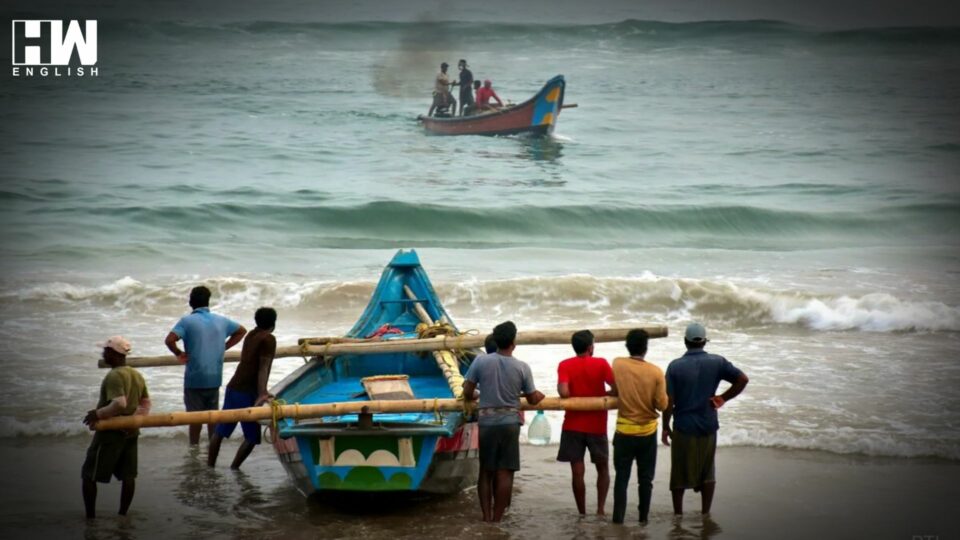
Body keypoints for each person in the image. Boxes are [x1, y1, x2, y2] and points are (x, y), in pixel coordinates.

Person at [662, 323, 749, 516]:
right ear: (704, 342)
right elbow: (742, 379)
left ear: (685, 342)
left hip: (684, 427)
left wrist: (665, 426)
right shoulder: (717, 362)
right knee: (708, 470)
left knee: (679, 473)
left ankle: (678, 515)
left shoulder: (675, 366)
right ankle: (705, 513)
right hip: (708, 424)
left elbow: (669, 400)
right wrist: (723, 398)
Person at [462, 321, 545, 522]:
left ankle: (486, 516)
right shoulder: (522, 367)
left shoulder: (481, 361)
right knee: (505, 472)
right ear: (513, 342)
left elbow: (467, 391)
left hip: (487, 422)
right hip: (510, 423)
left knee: (486, 471)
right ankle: (497, 520)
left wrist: (476, 396)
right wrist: (540, 396)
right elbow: (533, 398)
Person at [165, 286, 246, 445]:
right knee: (212, 417)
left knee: (194, 419)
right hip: (214, 377)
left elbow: (169, 340)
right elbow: (242, 331)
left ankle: (194, 449)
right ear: (208, 302)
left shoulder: (186, 321)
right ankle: (212, 448)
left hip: (195, 378)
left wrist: (179, 353)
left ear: (191, 302)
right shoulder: (222, 320)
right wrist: (224, 346)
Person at [82, 336, 151, 519]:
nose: (103, 353)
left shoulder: (114, 375)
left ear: (113, 354)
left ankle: (90, 517)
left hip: (110, 433)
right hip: (130, 431)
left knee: (89, 474)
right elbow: (145, 403)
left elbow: (119, 403)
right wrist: (134, 421)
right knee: (128, 475)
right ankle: (123, 515)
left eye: (106, 351)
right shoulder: (136, 374)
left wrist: (97, 414)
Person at [208, 307, 277, 469]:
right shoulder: (268, 339)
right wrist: (262, 393)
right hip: (247, 392)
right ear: (273, 323)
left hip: (234, 388)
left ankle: (210, 467)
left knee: (220, 431)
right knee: (252, 437)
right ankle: (234, 468)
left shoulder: (251, 335)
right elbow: (263, 367)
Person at [556, 330, 616, 516]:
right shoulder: (601, 363)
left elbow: (564, 393)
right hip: (597, 424)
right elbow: (617, 388)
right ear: (591, 347)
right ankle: (600, 510)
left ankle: (582, 512)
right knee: (603, 467)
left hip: (573, 424)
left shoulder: (565, 364)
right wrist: (605, 396)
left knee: (577, 471)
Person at [610, 329, 667, 525]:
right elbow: (662, 405)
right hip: (647, 433)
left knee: (621, 479)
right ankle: (643, 519)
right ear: (646, 348)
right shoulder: (656, 371)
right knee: (645, 480)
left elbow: (616, 389)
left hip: (624, 431)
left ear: (627, 346)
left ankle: (617, 520)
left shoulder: (617, 363)